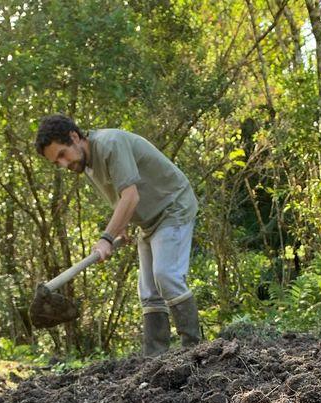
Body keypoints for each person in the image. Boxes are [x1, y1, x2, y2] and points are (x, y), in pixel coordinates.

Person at [35, 114, 201, 356]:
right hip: (149, 221)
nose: (63, 164)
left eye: (62, 154)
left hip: (173, 207)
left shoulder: (111, 144)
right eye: (56, 162)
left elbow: (130, 196)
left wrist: (106, 237)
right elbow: (120, 198)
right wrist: (119, 228)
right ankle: (154, 357)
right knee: (148, 291)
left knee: (166, 275)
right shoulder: (89, 164)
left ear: (74, 137)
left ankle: (195, 350)